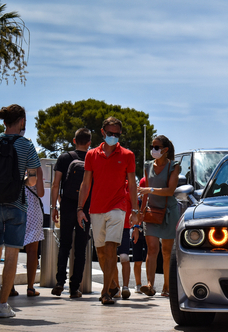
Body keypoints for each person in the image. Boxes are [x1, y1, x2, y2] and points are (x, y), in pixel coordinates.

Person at [0, 104, 41, 318]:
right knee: (11, 255)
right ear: (21, 122)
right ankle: (3, 305)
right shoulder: (26, 145)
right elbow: (33, 179)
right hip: (16, 206)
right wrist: (21, 181)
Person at [77, 117, 138, 305]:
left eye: (117, 134)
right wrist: (80, 208)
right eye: (110, 133)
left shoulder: (128, 155)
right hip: (96, 208)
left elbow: (133, 185)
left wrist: (135, 210)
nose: (114, 137)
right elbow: (86, 184)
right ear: (103, 132)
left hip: (118, 207)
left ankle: (105, 292)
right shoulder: (91, 155)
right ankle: (112, 284)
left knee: (112, 248)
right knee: (101, 253)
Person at [51, 128, 92, 298]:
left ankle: (60, 282)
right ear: (89, 143)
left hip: (67, 205)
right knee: (81, 248)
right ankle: (74, 288)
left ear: (74, 141)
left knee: (65, 245)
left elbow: (55, 185)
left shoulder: (65, 158)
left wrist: (54, 207)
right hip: (86, 207)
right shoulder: (93, 158)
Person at [138, 135, 180, 297]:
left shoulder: (174, 167)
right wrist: (141, 211)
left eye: (156, 147)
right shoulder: (148, 166)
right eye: (152, 146)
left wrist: (150, 190)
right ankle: (149, 285)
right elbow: (145, 193)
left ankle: (167, 287)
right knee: (152, 249)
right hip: (151, 213)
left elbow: (170, 190)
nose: (153, 150)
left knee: (167, 252)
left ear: (165, 150)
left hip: (169, 213)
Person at [23, 169, 45, 297]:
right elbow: (41, 193)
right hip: (33, 210)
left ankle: (10, 287)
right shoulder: (36, 168)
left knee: (12, 249)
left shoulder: (15, 162)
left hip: (15, 207)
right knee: (32, 251)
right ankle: (30, 288)